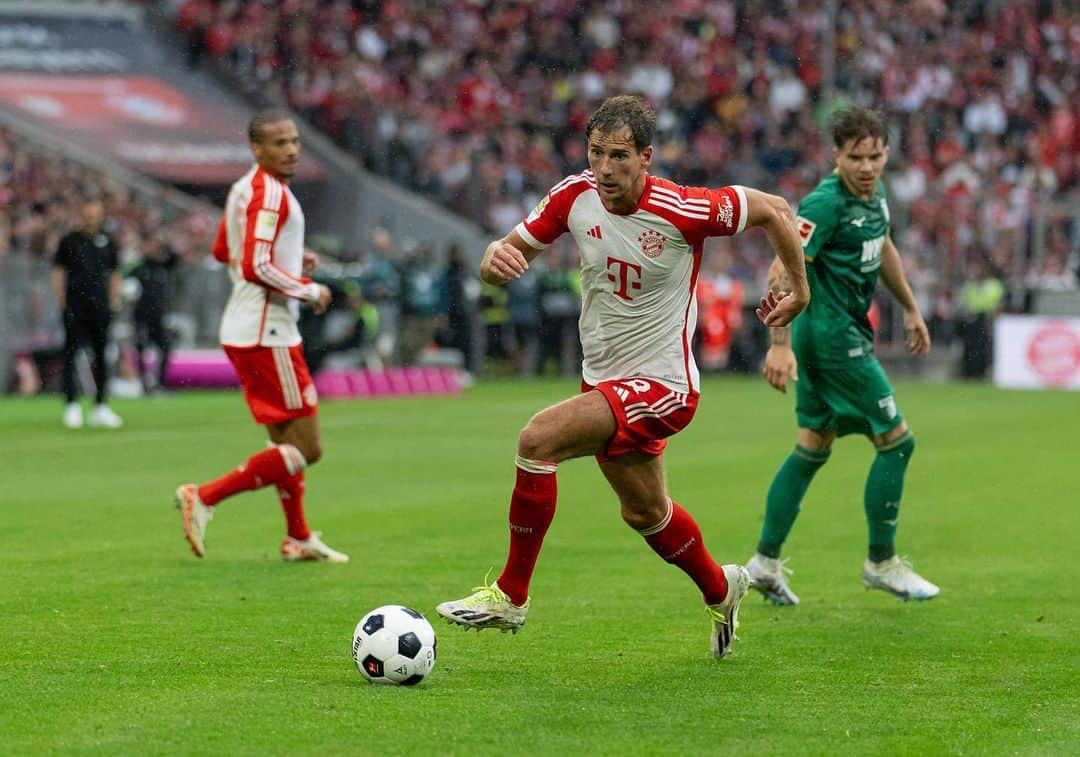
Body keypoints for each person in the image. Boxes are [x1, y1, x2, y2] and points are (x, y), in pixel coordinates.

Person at [435, 95, 809, 659]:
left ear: (646, 157)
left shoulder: (685, 208)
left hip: (665, 386)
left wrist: (799, 290)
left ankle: (511, 597)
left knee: (537, 440)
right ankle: (722, 586)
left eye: (618, 156)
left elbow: (777, 210)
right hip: (604, 381)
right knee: (646, 514)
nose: (605, 169)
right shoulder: (573, 196)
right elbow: (505, 254)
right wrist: (493, 259)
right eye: (595, 154)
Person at [745, 106, 938, 605]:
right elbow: (779, 269)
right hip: (831, 340)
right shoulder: (825, 203)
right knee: (897, 443)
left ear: (886, 153)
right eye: (856, 157)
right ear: (837, 156)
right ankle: (882, 561)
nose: (867, 167)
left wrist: (912, 308)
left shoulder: (875, 198)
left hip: (842, 332)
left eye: (875, 156)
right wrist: (779, 344)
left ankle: (764, 562)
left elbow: (884, 247)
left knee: (812, 446)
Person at [173, 109, 348, 563]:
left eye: (294, 141)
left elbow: (223, 250)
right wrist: (308, 288)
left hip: (246, 328)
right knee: (307, 448)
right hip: (268, 331)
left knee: (283, 442)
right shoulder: (270, 193)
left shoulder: (243, 188)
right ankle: (205, 496)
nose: (290, 150)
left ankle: (298, 536)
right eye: (279, 143)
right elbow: (255, 266)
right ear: (257, 148)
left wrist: (292, 260)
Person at [51, 199, 124, 429]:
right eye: (88, 213)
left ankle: (100, 405)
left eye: (96, 213)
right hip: (75, 305)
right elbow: (58, 272)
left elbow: (114, 273)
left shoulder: (108, 242)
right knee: (71, 354)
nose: (92, 218)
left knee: (102, 355)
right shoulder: (69, 241)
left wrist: (114, 301)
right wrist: (62, 301)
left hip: (100, 306)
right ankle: (71, 404)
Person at [129, 230, 178, 394]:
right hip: (141, 317)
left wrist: (164, 242)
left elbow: (175, 257)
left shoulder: (162, 265)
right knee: (141, 349)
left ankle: (161, 383)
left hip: (158, 316)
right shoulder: (137, 269)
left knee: (165, 348)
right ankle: (144, 384)